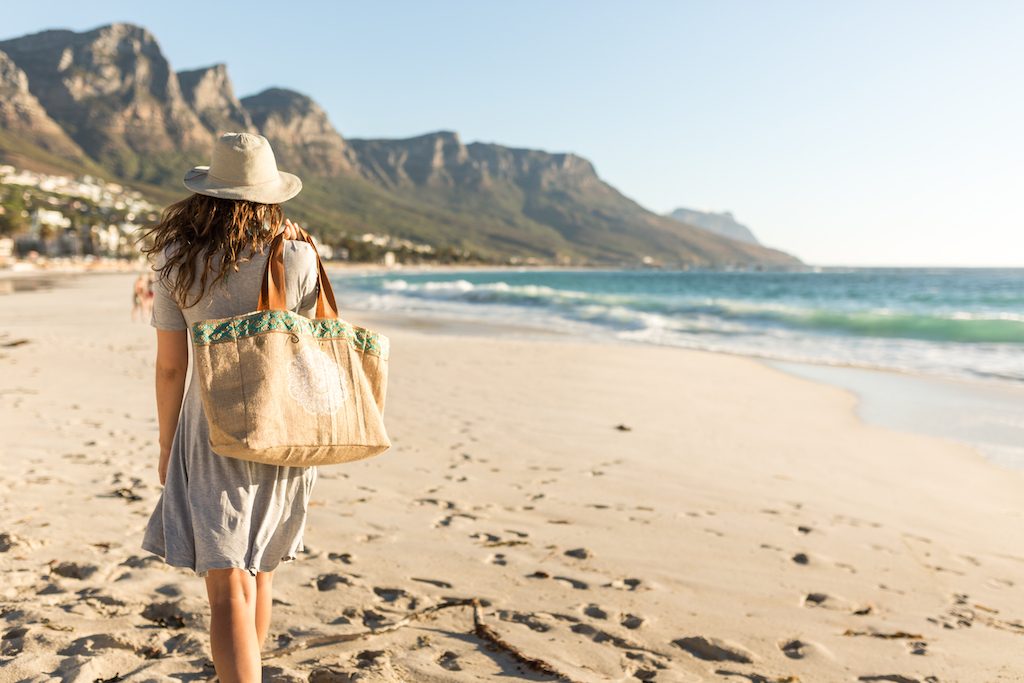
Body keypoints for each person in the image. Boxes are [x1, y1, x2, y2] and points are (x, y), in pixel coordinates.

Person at [137, 132, 319, 683]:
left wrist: (169, 443)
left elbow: (172, 367)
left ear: (207, 192)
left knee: (226, 587)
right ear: (269, 194)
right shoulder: (298, 252)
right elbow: (310, 346)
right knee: (259, 569)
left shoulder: (177, 258)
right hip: (282, 426)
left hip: (208, 430)